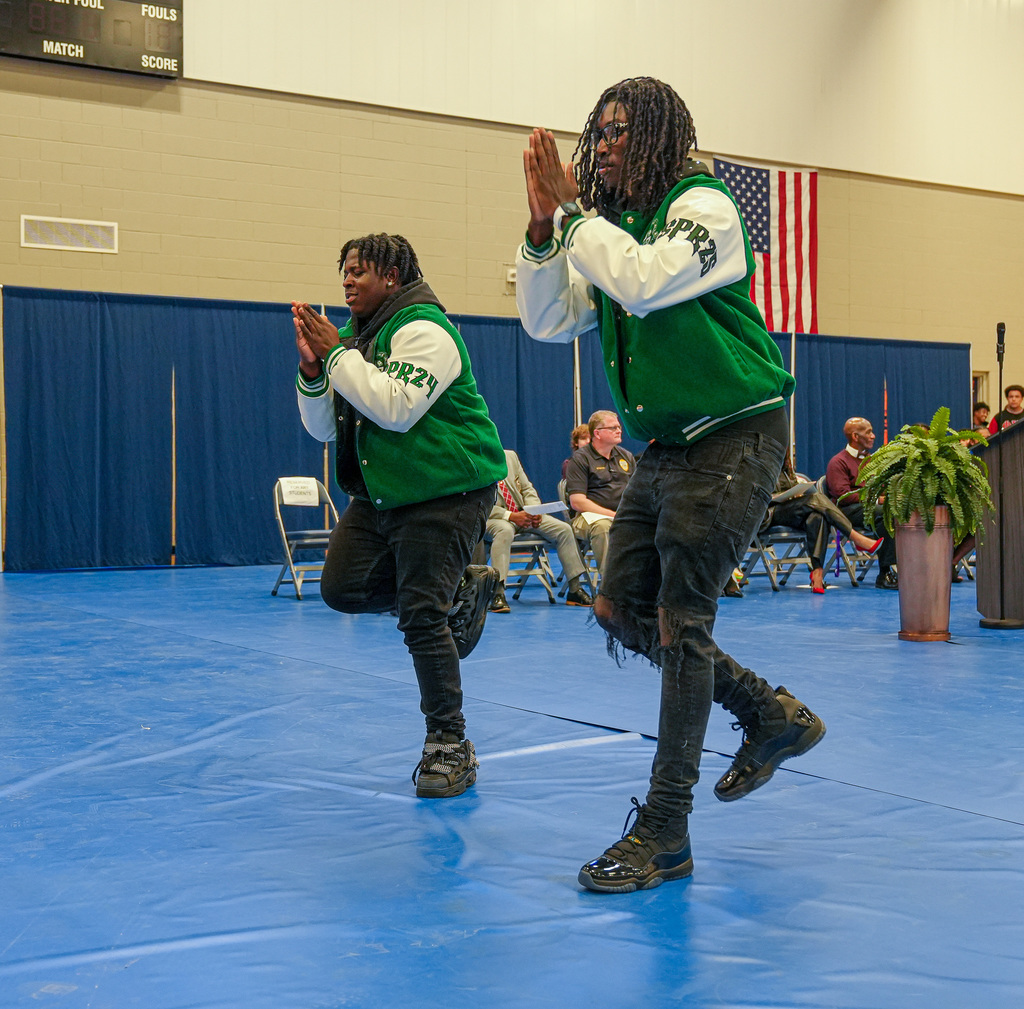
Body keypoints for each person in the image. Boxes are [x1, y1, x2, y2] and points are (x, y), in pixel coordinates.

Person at [516, 76, 825, 893]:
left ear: (658, 138)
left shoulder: (704, 205)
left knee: (680, 623)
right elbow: (547, 319)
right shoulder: (608, 230)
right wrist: (545, 227)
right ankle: (765, 713)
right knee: (618, 609)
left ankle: (665, 832)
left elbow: (647, 278)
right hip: (670, 446)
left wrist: (577, 217)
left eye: (621, 132)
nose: (605, 144)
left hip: (737, 435)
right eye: (600, 132)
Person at [291, 233, 506, 800]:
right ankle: (459, 589)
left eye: (360, 270)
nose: (347, 279)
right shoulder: (360, 341)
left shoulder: (424, 329)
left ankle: (449, 747)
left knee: (419, 615)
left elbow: (395, 406)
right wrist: (316, 371)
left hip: (446, 488)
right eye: (344, 270)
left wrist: (337, 354)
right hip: (385, 493)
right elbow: (320, 428)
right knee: (340, 588)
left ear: (392, 276)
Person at [485, 448, 593, 611]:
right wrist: (510, 516)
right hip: (494, 518)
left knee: (563, 529)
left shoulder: (510, 456)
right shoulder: (472, 460)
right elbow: (476, 503)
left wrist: (534, 511)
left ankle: (575, 589)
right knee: (505, 531)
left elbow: (528, 489)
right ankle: (498, 593)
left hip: (523, 514)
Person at [766, 450, 882, 594]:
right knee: (816, 499)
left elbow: (790, 487)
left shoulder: (785, 467)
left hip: (788, 510)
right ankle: (855, 537)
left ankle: (817, 574)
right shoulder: (762, 466)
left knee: (817, 515)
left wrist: (796, 493)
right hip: (768, 512)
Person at [824, 417, 898, 589]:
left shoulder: (872, 461)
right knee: (885, 513)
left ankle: (905, 567)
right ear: (856, 437)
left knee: (899, 509)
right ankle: (885, 572)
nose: (873, 436)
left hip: (869, 507)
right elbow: (843, 496)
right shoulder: (838, 462)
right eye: (868, 432)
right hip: (847, 511)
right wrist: (876, 499)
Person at [563, 410, 635, 574]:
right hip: (588, 518)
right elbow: (578, 502)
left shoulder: (626, 456)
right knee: (603, 527)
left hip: (622, 515)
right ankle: (610, 590)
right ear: (597, 433)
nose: (619, 430)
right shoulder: (580, 459)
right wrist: (612, 515)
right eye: (613, 427)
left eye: (619, 426)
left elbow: (637, 493)